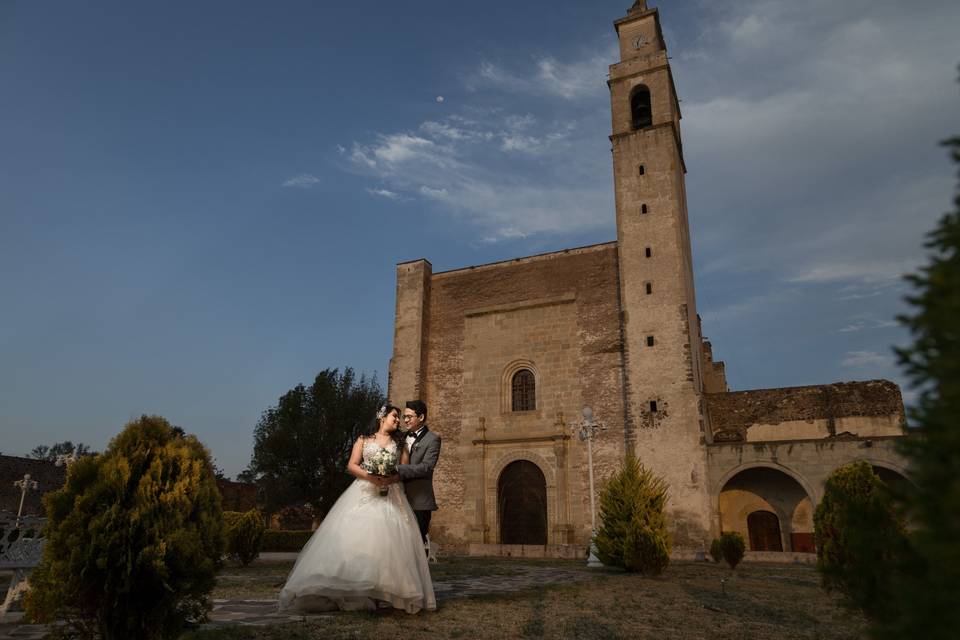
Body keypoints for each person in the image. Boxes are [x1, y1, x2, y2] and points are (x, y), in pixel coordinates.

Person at [278, 404, 436, 614]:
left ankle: (383, 590)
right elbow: (352, 465)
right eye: (394, 416)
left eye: (399, 417)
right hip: (364, 491)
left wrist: (390, 478)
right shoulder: (363, 439)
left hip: (392, 493)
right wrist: (371, 477)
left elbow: (404, 469)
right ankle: (351, 583)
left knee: (388, 541)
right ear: (382, 417)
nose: (397, 420)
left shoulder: (400, 444)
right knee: (356, 536)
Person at [397, 400, 441, 545]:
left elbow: (426, 467)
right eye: (404, 417)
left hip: (420, 502)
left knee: (416, 545)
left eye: (410, 416)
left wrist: (398, 469)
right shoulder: (399, 437)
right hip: (397, 498)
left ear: (421, 417)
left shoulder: (433, 439)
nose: (406, 420)